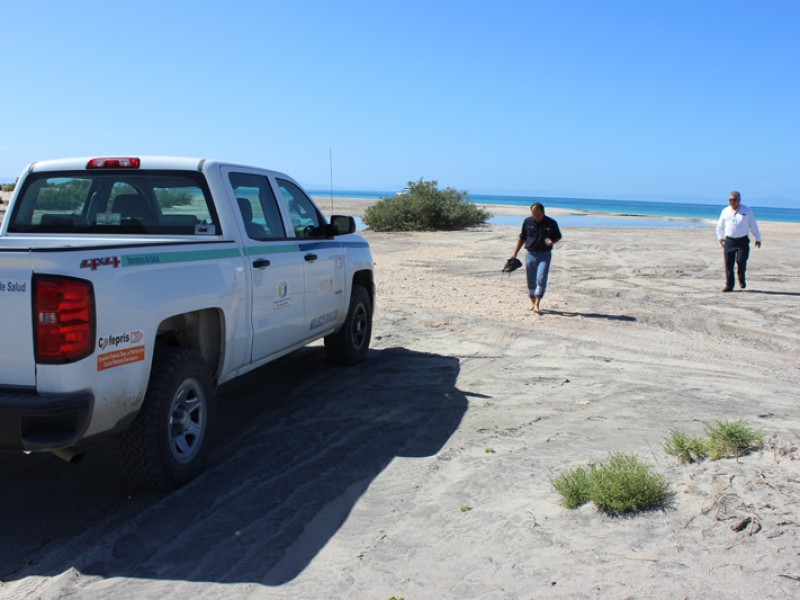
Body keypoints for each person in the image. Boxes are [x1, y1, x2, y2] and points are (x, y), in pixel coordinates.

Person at [511, 202, 562, 313]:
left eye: (538, 215)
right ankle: (533, 303)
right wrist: (514, 254)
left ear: (543, 212)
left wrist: (552, 241)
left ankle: (537, 303)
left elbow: (558, 236)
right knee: (531, 280)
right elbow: (521, 239)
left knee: (541, 278)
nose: (536, 217)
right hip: (530, 254)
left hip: (545, 254)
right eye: (534, 214)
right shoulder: (527, 222)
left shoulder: (551, 223)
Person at [715, 191, 762, 292]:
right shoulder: (725, 211)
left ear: (739, 200)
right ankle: (729, 285)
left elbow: (753, 225)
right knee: (728, 264)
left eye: (734, 200)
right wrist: (720, 238)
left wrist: (757, 237)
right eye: (730, 200)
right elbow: (719, 226)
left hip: (743, 241)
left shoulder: (746, 210)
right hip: (729, 241)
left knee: (741, 261)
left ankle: (741, 277)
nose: (732, 202)